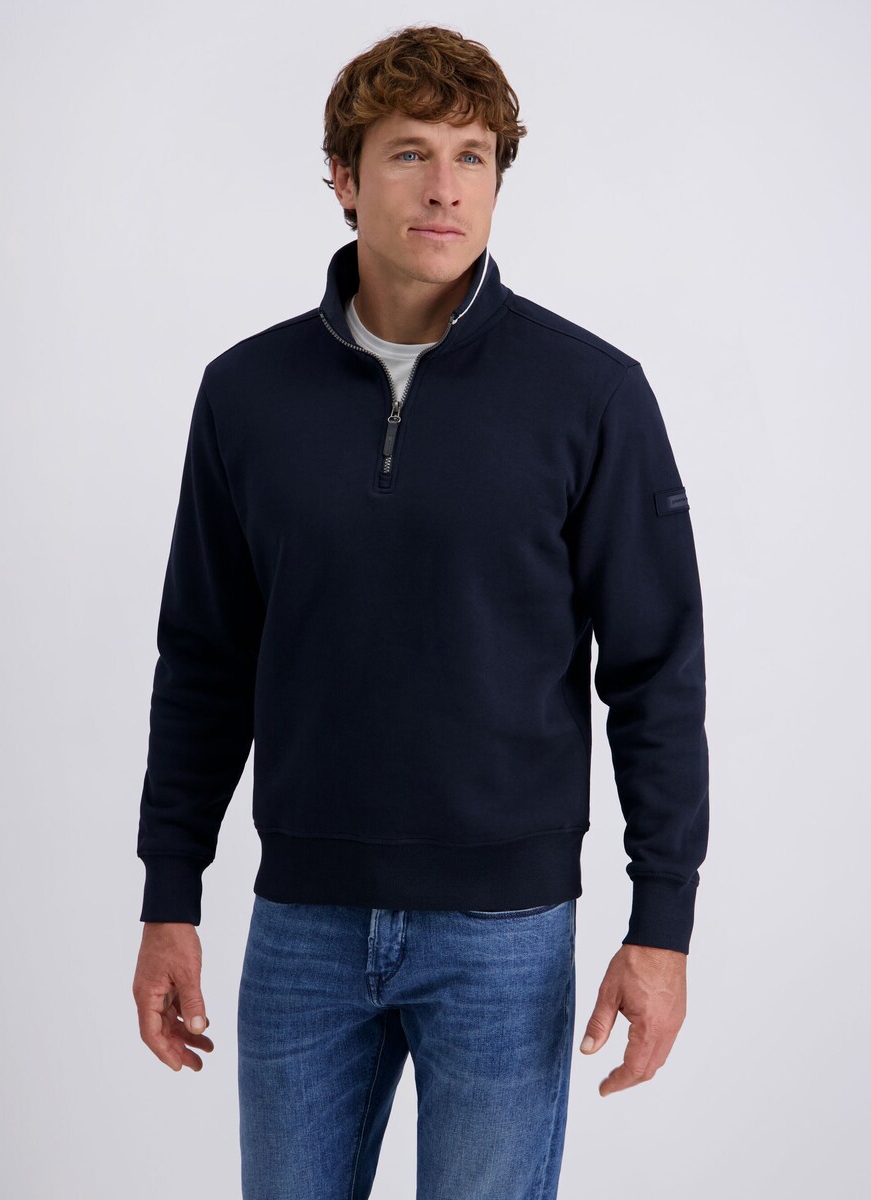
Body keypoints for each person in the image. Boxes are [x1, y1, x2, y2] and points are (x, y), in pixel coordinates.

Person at [132, 23, 709, 1200]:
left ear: (497, 179)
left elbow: (656, 673)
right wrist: (168, 896)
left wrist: (662, 925)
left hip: (506, 932)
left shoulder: (591, 393)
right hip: (301, 923)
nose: (445, 187)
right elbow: (203, 659)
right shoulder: (246, 393)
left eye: (472, 156)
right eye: (409, 153)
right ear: (343, 179)